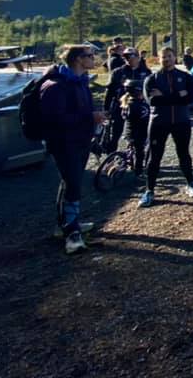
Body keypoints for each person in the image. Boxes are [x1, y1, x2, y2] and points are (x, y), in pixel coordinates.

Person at [41, 44, 106, 254]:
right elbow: (56, 120)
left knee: (71, 182)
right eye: (90, 55)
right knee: (73, 184)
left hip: (81, 140)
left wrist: (93, 122)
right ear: (78, 59)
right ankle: (72, 235)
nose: (93, 58)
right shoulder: (56, 85)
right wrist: (90, 117)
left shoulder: (80, 82)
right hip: (64, 143)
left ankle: (68, 224)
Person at [138, 47, 193, 208]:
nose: (166, 59)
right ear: (158, 59)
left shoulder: (185, 77)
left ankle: (191, 184)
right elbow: (152, 101)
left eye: (169, 56)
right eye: (163, 57)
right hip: (159, 122)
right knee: (154, 157)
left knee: (184, 153)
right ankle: (149, 190)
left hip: (181, 121)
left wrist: (165, 97)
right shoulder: (151, 79)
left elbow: (190, 98)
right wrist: (177, 96)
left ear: (175, 58)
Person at [103, 47, 151, 150]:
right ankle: (112, 155)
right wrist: (106, 109)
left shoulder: (146, 72)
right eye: (125, 57)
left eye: (131, 56)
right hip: (121, 106)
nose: (128, 59)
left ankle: (137, 157)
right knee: (115, 133)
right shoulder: (118, 72)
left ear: (138, 57)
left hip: (140, 107)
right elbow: (110, 91)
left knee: (139, 135)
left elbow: (151, 90)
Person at [120, 79, 150, 176]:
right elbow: (145, 119)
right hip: (138, 133)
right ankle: (138, 172)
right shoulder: (140, 105)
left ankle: (129, 163)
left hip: (128, 131)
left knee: (131, 148)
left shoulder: (126, 102)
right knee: (139, 153)